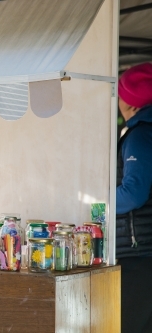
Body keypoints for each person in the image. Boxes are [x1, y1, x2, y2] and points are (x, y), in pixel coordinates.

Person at [115, 62, 152, 333]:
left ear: (129, 101)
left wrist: (96, 205)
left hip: (138, 253)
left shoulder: (140, 136)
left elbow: (133, 193)